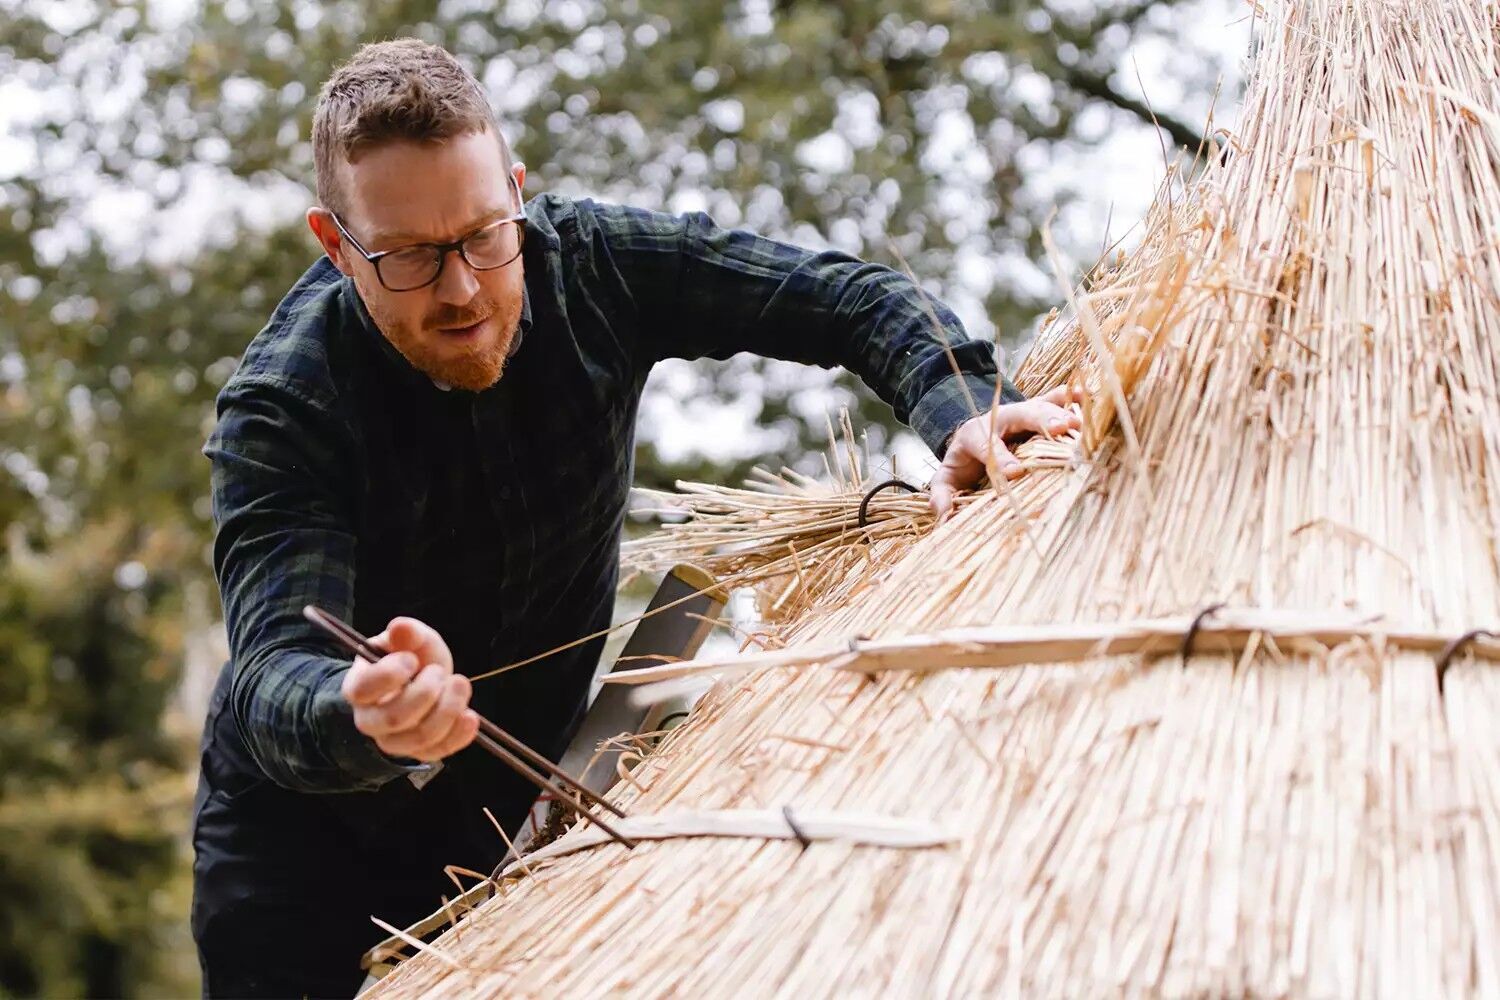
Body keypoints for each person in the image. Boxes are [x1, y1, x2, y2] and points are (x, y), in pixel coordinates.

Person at [191, 36, 1083, 997]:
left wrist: (966, 406)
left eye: (487, 235)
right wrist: (361, 713)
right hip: (299, 872)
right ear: (336, 243)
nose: (461, 289)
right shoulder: (286, 408)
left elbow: (850, 299)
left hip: (516, 818)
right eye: (409, 257)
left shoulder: (601, 267)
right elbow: (271, 676)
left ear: (518, 193)